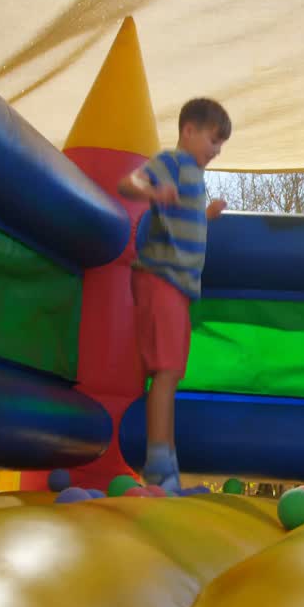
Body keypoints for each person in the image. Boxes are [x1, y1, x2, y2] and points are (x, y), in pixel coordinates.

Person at [117, 98, 231, 491]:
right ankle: (160, 464)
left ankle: (163, 461)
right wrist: (152, 189)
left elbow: (184, 218)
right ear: (189, 131)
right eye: (214, 141)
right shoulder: (174, 161)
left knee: (171, 373)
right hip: (161, 278)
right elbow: (127, 183)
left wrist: (207, 215)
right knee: (165, 373)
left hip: (178, 287)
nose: (216, 151)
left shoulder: (195, 178)